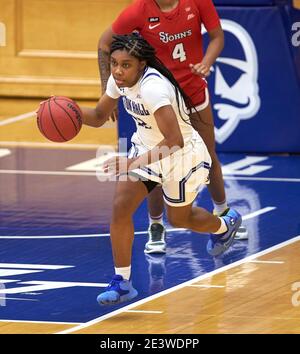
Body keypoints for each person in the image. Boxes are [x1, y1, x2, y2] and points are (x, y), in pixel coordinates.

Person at [80, 33, 242, 305]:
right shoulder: (117, 81)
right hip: (147, 148)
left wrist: (130, 163)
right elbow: (98, 117)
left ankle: (225, 224)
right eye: (114, 63)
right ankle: (122, 282)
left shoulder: (153, 88)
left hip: (181, 155)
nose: (118, 70)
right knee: (121, 206)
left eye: (126, 64)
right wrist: (67, 109)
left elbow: (174, 141)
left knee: (180, 219)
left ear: (142, 64)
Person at [98, 0, 247, 255]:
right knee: (154, 162)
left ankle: (222, 212)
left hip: (192, 93)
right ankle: (156, 226)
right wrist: (106, 91)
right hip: (159, 99)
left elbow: (217, 37)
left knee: (208, 153)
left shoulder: (197, 3)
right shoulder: (138, 10)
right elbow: (104, 44)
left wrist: (207, 62)